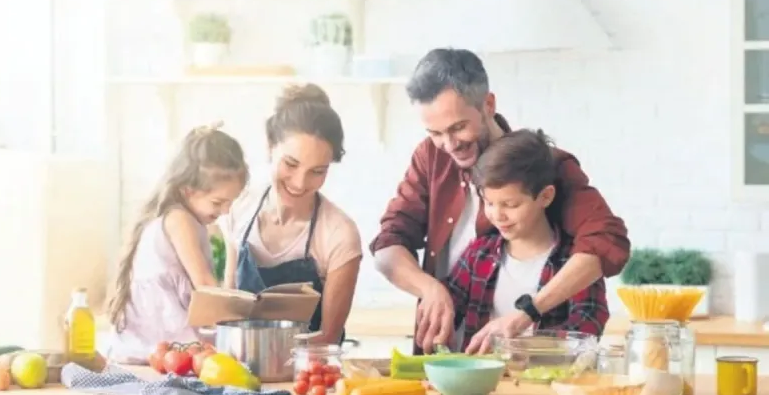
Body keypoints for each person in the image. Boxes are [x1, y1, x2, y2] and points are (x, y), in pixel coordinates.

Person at [369, 48, 630, 354]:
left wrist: (529, 312)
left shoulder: (543, 165)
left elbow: (606, 240)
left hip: (530, 362)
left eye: (458, 127)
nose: (449, 145)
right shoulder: (430, 156)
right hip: (448, 357)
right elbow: (388, 244)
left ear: (488, 105)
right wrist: (429, 288)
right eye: (435, 133)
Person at [217, 83, 362, 345]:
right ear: (270, 145)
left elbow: (328, 339)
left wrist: (273, 357)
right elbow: (228, 312)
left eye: (317, 171)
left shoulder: (339, 233)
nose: (300, 183)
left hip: (310, 367)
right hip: (239, 364)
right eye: (291, 164)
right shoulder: (238, 208)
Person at [447, 128, 609, 354]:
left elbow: (587, 331)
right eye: (489, 203)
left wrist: (516, 345)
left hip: (547, 376)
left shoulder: (575, 264)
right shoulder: (478, 254)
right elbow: (449, 309)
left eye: (510, 205)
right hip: (480, 376)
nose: (497, 215)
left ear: (545, 197)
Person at [105, 122, 249, 363]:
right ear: (187, 190)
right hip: (160, 346)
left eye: (230, 203)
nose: (225, 211)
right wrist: (244, 318)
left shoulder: (182, 218)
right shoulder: (179, 220)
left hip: (157, 348)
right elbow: (205, 284)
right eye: (218, 202)